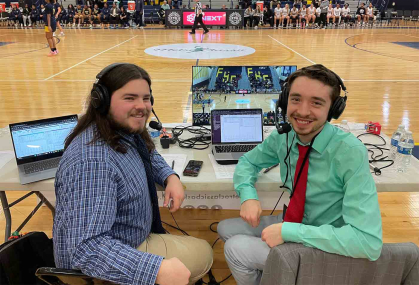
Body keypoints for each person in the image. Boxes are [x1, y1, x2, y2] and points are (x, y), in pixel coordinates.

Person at [217, 64, 383, 285]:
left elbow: (367, 242)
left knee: (234, 248)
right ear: (285, 102)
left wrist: (290, 233)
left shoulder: (349, 152)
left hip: (324, 243)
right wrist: (248, 195)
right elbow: (248, 162)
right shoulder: (284, 137)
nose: (303, 111)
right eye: (296, 99)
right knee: (225, 228)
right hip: (294, 221)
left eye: (316, 102)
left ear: (333, 109)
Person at [53, 63, 213, 284]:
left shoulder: (121, 130)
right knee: (205, 252)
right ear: (102, 101)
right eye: (130, 98)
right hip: (104, 266)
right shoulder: (93, 162)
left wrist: (170, 176)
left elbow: (147, 152)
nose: (142, 106)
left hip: (128, 238)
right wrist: (155, 270)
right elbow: (87, 249)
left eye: (146, 98)